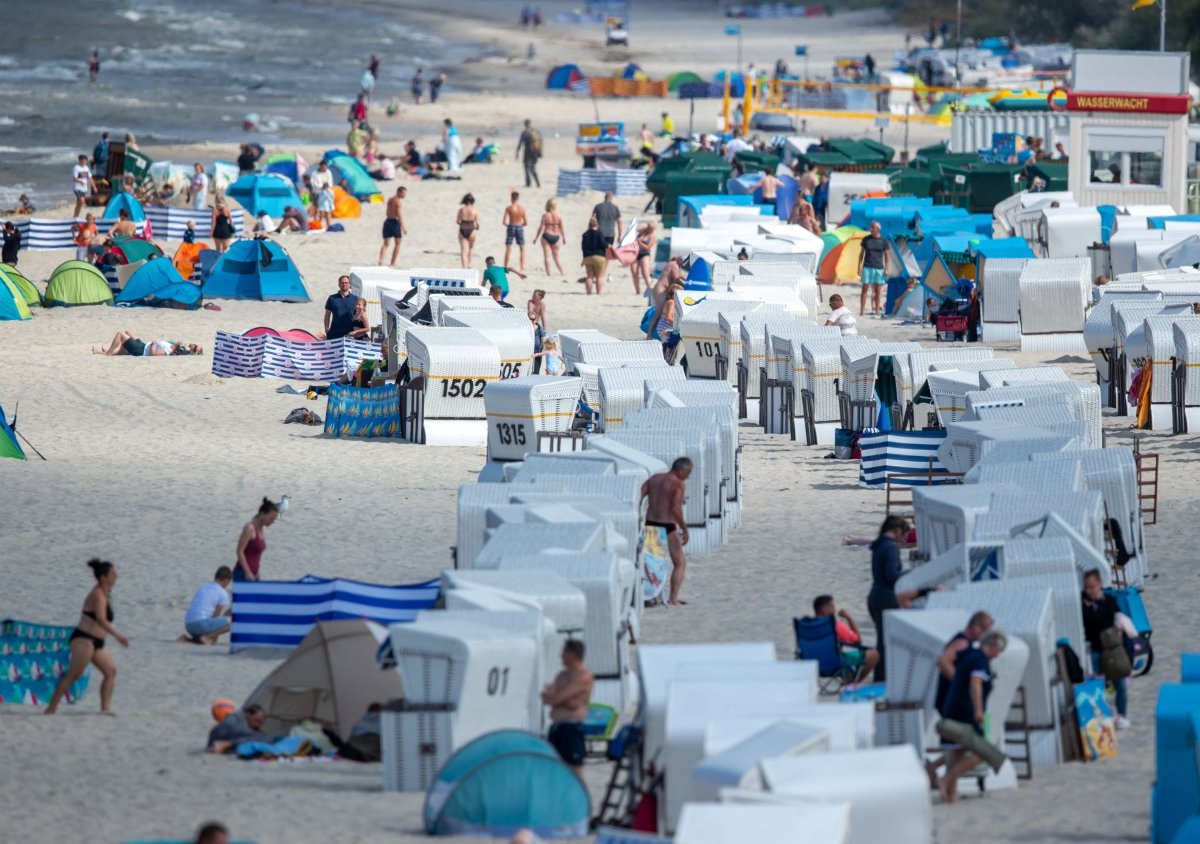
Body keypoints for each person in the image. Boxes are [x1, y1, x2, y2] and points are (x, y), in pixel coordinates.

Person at [44, 559, 129, 714]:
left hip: (97, 642)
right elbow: (101, 620)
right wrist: (118, 636)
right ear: (103, 577)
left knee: (111, 671)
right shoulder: (97, 594)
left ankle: (105, 709)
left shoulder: (105, 594)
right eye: (113, 575)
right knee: (74, 675)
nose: (116, 577)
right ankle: (51, 709)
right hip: (84, 640)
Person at [936, 630, 1009, 803]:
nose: (997, 656)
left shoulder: (969, 655)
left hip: (951, 708)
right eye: (998, 651)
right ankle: (946, 779)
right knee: (983, 751)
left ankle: (951, 796)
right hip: (966, 713)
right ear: (993, 647)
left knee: (958, 752)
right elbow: (975, 684)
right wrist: (978, 711)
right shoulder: (980, 661)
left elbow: (945, 663)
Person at [1082, 569, 1135, 729]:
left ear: (1099, 585)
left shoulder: (1109, 601)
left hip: (1112, 649)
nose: (1089, 591)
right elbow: (1089, 624)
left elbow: (1116, 618)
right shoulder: (1083, 604)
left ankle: (1121, 714)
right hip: (1096, 650)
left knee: (1120, 683)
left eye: (1092, 587)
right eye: (1087, 587)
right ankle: (1104, 716)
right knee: (1099, 686)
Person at [641, 457, 692, 605]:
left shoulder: (654, 479)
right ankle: (673, 598)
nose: (689, 476)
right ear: (681, 471)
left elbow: (639, 496)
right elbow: (675, 509)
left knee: (651, 563)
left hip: (650, 525)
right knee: (680, 562)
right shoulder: (678, 484)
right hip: (667, 527)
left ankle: (649, 596)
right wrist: (684, 528)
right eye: (688, 472)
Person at [542, 640, 594, 779]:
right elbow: (546, 698)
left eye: (564, 652)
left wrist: (557, 698)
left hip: (572, 728)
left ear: (573, 654)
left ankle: (582, 799)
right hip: (557, 727)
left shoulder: (583, 676)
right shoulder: (562, 675)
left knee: (574, 769)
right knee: (553, 767)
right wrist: (565, 701)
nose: (561, 656)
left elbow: (556, 698)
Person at [867, 515, 910, 682]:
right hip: (887, 597)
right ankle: (882, 679)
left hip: (875, 596)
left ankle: (880, 677)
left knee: (881, 641)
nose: (904, 538)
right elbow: (892, 575)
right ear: (897, 530)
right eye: (904, 533)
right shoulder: (891, 547)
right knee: (887, 642)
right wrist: (911, 574)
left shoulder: (878, 545)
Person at [934, 612, 994, 714]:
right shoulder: (962, 643)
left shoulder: (966, 643)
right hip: (949, 702)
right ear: (975, 626)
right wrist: (961, 682)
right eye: (984, 630)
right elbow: (943, 661)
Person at [812, 594, 879, 682]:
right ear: (824, 610)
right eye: (832, 607)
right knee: (874, 654)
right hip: (835, 664)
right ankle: (854, 683)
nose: (834, 610)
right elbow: (858, 641)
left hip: (813, 665)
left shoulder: (807, 627)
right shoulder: (834, 625)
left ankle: (850, 679)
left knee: (844, 658)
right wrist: (848, 618)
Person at [179, 567, 234, 645]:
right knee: (234, 621)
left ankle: (186, 639)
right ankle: (207, 638)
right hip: (201, 625)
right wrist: (213, 640)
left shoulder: (203, 587)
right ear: (226, 580)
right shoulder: (222, 592)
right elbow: (216, 617)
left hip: (189, 625)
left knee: (204, 630)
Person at [235, 498, 278, 583]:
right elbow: (239, 551)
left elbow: (255, 555)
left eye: (273, 520)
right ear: (262, 514)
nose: (272, 522)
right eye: (271, 518)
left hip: (254, 573)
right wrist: (247, 572)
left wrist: (257, 572)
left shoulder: (261, 530)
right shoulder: (250, 528)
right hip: (242, 573)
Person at [92, 330, 202, 356]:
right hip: (143, 345)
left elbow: (154, 354)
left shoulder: (169, 350)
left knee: (120, 333)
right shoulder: (171, 346)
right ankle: (113, 351)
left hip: (140, 350)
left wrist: (154, 344)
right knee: (128, 332)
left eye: (195, 346)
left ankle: (109, 352)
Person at [858, 221, 887, 316]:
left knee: (877, 290)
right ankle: (862, 311)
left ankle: (877, 310)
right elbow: (861, 254)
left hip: (879, 267)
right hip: (867, 266)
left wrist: (886, 269)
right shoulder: (866, 239)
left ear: (878, 229)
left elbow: (887, 257)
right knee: (864, 289)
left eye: (872, 227)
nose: (870, 229)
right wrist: (859, 266)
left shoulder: (883, 241)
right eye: (870, 227)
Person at [591, 192, 622, 277]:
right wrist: (619, 235)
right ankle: (602, 273)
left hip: (599, 233)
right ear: (611, 198)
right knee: (607, 254)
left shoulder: (598, 207)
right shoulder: (615, 208)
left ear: (604, 197)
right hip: (610, 234)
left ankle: (597, 271)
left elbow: (592, 219)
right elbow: (619, 222)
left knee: (598, 253)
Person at [534, 198, 566, 276]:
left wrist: (536, 238)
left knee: (547, 256)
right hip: (556, 237)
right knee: (556, 257)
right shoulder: (559, 216)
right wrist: (564, 238)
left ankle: (549, 274)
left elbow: (541, 227)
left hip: (546, 235)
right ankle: (562, 272)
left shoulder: (545, 215)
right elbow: (562, 228)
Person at [324, 275, 360, 340]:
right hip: (334, 333)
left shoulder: (355, 299)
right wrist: (326, 328)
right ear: (339, 284)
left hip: (350, 333)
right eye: (342, 282)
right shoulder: (332, 298)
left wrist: (357, 331)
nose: (344, 284)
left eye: (346, 283)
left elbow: (359, 316)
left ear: (349, 285)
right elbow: (327, 315)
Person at [379, 186, 407, 267]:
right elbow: (399, 215)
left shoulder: (390, 199)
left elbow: (387, 212)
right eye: (404, 193)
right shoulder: (398, 202)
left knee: (386, 243)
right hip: (394, 222)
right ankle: (393, 262)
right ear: (399, 192)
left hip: (387, 221)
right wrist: (403, 227)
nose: (405, 195)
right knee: (398, 243)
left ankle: (381, 260)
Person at [502, 191, 528, 273]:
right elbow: (526, 222)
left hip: (511, 226)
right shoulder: (522, 209)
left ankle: (505, 266)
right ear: (518, 198)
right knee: (522, 248)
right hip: (519, 226)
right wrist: (520, 226)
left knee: (508, 248)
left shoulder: (509, 208)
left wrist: (509, 226)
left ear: (511, 198)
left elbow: (504, 222)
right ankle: (522, 267)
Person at [581, 216, 607, 295]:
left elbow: (583, 247)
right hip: (599, 257)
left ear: (589, 225)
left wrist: (584, 258)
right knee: (599, 277)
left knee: (589, 277)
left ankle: (588, 292)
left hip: (588, 257)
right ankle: (598, 293)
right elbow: (603, 244)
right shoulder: (599, 233)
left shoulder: (585, 234)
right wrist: (608, 245)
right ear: (597, 224)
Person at [515, 119, 542, 188]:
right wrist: (540, 152)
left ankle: (528, 183)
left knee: (526, 167)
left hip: (527, 152)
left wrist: (517, 152)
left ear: (525, 124)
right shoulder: (536, 131)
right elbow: (540, 141)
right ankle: (538, 183)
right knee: (533, 167)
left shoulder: (524, 133)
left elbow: (520, 143)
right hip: (535, 152)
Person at [631, 221, 656, 296]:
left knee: (645, 273)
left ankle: (650, 289)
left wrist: (639, 242)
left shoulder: (653, 236)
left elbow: (648, 247)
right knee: (634, 272)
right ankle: (637, 291)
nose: (649, 229)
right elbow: (634, 229)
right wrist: (643, 228)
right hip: (635, 252)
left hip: (644, 253)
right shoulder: (644, 230)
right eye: (648, 227)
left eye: (650, 228)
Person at [456, 193, 480, 268]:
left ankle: (465, 267)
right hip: (472, 229)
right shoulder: (475, 210)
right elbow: (477, 224)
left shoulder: (461, 210)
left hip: (463, 228)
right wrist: (476, 228)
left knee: (463, 250)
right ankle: (469, 263)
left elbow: (458, 221)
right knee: (471, 247)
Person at [527, 288, 547, 370]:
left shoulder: (542, 304)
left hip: (536, 325)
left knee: (541, 344)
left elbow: (543, 317)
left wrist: (544, 330)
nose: (533, 296)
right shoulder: (530, 302)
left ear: (540, 297)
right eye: (533, 295)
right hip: (530, 325)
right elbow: (530, 313)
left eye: (535, 295)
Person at [72, 154, 95, 218]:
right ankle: (76, 216)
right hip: (77, 188)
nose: (83, 162)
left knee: (79, 203)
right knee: (82, 201)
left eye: (85, 161)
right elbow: (74, 178)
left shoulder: (86, 168)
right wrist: (80, 181)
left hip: (84, 189)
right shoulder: (76, 168)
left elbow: (90, 178)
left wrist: (94, 186)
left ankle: (75, 216)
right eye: (82, 161)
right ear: (79, 161)